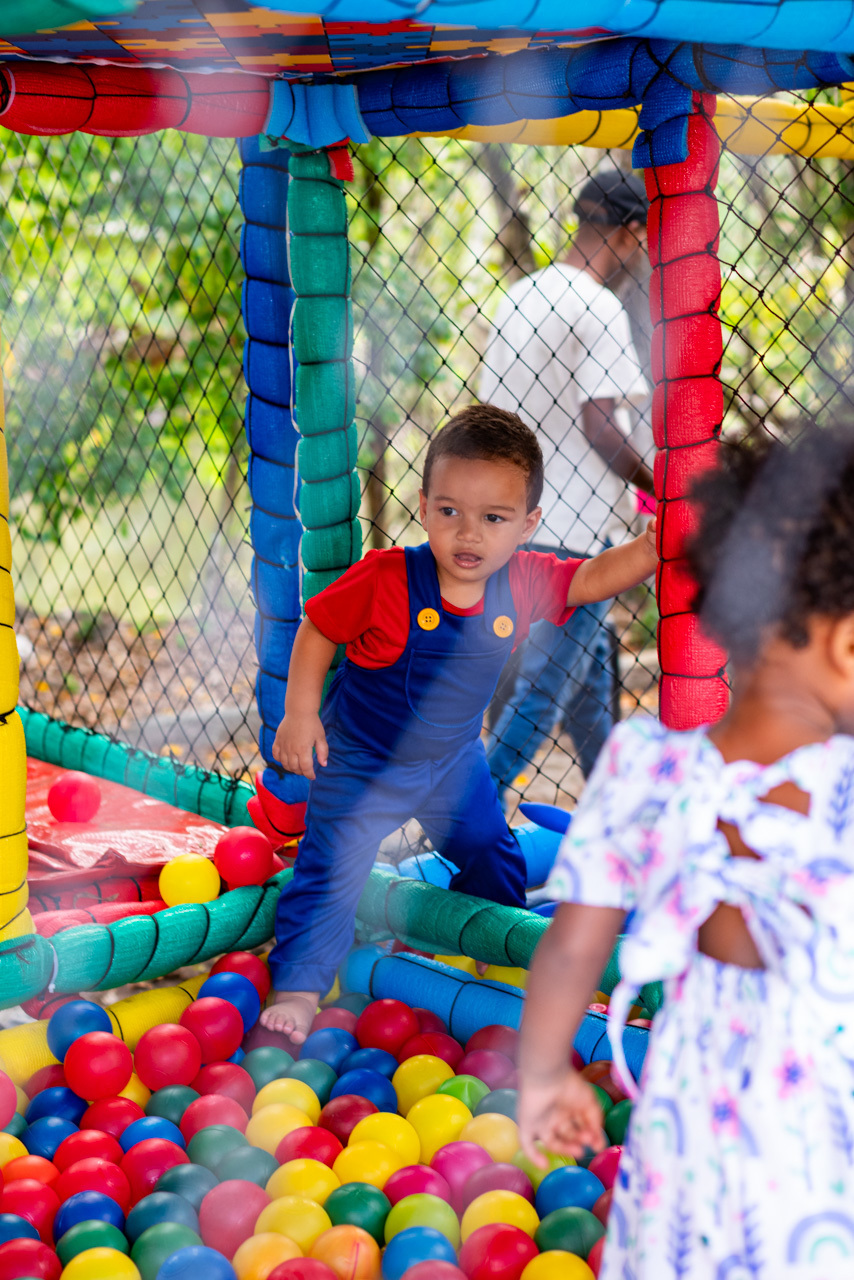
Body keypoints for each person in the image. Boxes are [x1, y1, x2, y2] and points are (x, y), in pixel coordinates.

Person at [518, 423, 854, 1279]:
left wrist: (547, 1073)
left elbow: (570, 949)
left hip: (689, 1132)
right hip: (823, 1147)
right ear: (846, 647)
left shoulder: (644, 765)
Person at [260, 404, 658, 1043]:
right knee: (331, 867)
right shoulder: (387, 577)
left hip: (451, 763)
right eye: (451, 512)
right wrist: (301, 713)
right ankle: (302, 987)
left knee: (489, 852)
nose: (468, 536)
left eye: (493, 519)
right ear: (423, 506)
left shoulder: (525, 582)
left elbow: (590, 578)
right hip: (362, 759)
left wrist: (650, 547)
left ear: (527, 525)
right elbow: (318, 630)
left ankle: (499, 958)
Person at [481, 168, 654, 797]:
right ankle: (463, 818)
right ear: (631, 233)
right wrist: (659, 480)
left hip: (515, 525)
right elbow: (602, 424)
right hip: (578, 537)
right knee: (543, 693)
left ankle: (614, 817)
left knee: (584, 689)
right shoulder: (600, 306)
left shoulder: (518, 298)